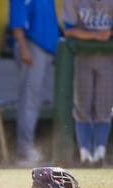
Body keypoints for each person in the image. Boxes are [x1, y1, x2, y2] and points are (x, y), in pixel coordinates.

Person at [9, 0, 60, 166]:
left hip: (48, 49)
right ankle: (25, 151)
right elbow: (17, 22)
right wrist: (23, 48)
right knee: (29, 100)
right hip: (31, 47)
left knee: (36, 100)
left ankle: (30, 149)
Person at [62, 0, 113, 167]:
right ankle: (85, 155)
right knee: (82, 107)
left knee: (104, 107)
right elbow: (68, 29)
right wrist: (96, 35)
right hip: (82, 56)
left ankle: (99, 152)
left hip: (108, 56)